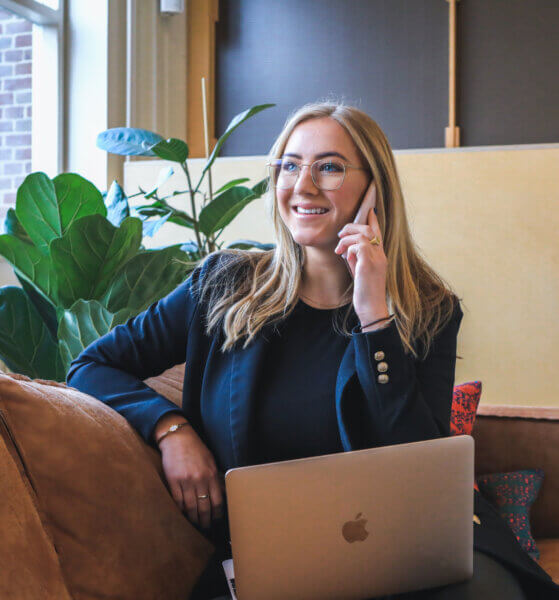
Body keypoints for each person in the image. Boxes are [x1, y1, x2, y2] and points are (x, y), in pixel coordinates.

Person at [67, 102, 559, 600]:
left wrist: (375, 318)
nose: (302, 185)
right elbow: (91, 365)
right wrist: (171, 430)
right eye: (288, 165)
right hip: (272, 562)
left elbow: (420, 468)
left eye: (328, 167)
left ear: (375, 188)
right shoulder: (222, 285)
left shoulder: (429, 310)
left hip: (411, 554)